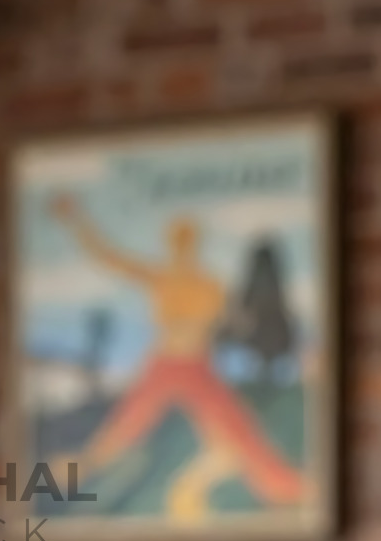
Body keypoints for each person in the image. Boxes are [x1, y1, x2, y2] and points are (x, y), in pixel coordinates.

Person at [47, 195, 308, 513]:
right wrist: (76, 221)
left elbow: (233, 325)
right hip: (165, 363)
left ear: (194, 243)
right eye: (176, 240)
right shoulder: (162, 279)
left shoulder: (209, 286)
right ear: (170, 244)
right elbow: (108, 256)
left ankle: (286, 487)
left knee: (236, 427)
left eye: (186, 239)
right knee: (126, 425)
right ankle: (71, 473)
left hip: (197, 365)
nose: (181, 245)